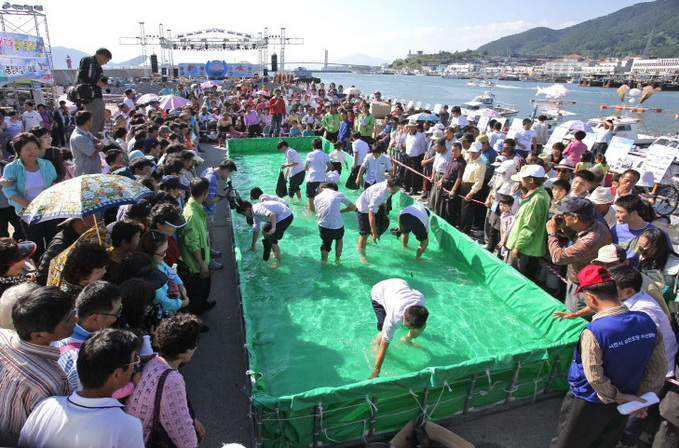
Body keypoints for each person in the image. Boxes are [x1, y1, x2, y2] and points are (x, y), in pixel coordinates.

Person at [550, 265, 667, 448]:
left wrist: (618, 397)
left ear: (591, 297)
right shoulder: (646, 322)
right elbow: (659, 368)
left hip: (587, 403)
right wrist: (637, 398)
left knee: (568, 443)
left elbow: (594, 375)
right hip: (623, 403)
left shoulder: (595, 331)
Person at [18, 328, 143, 448]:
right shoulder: (127, 426)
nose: (135, 366)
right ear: (116, 374)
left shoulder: (46, 407)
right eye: (134, 360)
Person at [0, 286, 73, 445]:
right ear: (39, 335)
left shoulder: (2, 337)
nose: (75, 320)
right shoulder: (52, 380)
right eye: (68, 319)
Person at [126, 313, 206, 447]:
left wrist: (192, 419)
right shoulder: (171, 380)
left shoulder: (154, 361)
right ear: (186, 351)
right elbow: (187, 442)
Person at [53, 280, 123, 391]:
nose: (117, 318)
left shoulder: (54, 329)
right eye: (117, 313)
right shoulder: (85, 359)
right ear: (95, 318)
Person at [547, 196, 613, 313]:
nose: (563, 216)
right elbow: (576, 239)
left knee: (574, 314)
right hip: (584, 279)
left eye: (566, 214)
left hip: (583, 287)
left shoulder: (590, 240)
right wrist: (564, 227)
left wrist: (552, 233)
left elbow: (558, 257)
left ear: (575, 218)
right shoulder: (596, 225)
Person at [1, 133, 58, 261]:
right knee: (36, 245)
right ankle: (40, 272)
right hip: (27, 212)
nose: (33, 152)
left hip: (49, 210)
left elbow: (55, 184)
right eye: (28, 149)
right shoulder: (12, 168)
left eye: (35, 148)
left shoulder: (46, 164)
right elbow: (9, 191)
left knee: (53, 241)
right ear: (19, 150)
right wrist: (30, 205)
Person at [369, 278, 428, 379]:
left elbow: (415, 291)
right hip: (378, 292)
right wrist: (376, 371)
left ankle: (406, 339)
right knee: (383, 331)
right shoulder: (393, 318)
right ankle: (375, 346)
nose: (408, 328)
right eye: (407, 326)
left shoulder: (420, 300)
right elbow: (384, 347)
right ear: (403, 317)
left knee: (422, 326)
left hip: (400, 283)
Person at [505, 165, 551, 280]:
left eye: (523, 178)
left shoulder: (536, 199)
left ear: (531, 180)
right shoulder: (539, 194)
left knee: (514, 277)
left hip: (524, 247)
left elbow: (529, 226)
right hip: (524, 245)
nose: (521, 180)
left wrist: (518, 247)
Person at [178, 177, 215, 314]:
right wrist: (201, 264)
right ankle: (197, 318)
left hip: (203, 258)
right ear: (205, 192)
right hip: (196, 264)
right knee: (197, 292)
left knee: (205, 287)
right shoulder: (192, 214)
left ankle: (203, 304)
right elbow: (192, 243)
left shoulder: (194, 206)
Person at [612, 194, 671, 267]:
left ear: (634, 213)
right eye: (616, 211)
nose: (616, 215)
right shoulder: (616, 229)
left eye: (620, 212)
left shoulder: (657, 234)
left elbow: (668, 258)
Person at [355, 175, 401, 265]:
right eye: (394, 190)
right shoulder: (379, 195)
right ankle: (362, 256)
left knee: (385, 222)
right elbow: (371, 214)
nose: (395, 192)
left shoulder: (388, 185)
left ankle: (362, 240)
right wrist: (373, 232)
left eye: (397, 189)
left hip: (373, 204)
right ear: (388, 186)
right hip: (363, 209)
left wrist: (383, 204)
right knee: (365, 234)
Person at [236, 199, 294, 269]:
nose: (244, 216)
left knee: (272, 240)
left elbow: (272, 214)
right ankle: (271, 247)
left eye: (243, 214)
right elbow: (256, 230)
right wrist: (253, 246)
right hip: (277, 216)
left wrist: (273, 228)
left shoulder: (257, 210)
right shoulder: (254, 214)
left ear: (247, 209)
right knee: (264, 230)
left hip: (285, 216)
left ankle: (279, 261)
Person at [201, 158, 237, 270]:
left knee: (207, 236)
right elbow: (208, 200)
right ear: (225, 170)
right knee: (208, 236)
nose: (227, 177)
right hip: (206, 212)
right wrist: (223, 196)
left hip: (204, 209)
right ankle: (209, 260)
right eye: (229, 174)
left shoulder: (208, 170)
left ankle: (210, 252)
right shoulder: (211, 179)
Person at [314, 181, 355, 264]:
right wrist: (341, 211)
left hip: (323, 225)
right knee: (339, 239)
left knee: (325, 244)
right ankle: (337, 260)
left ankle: (324, 262)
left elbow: (319, 211)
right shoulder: (338, 194)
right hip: (337, 225)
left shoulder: (317, 197)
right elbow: (353, 207)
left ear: (321, 189)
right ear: (334, 189)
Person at [77, 48, 112, 137]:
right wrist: (95, 83)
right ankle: (92, 138)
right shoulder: (87, 61)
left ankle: (99, 136)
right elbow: (82, 75)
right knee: (94, 119)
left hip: (98, 95)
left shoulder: (98, 66)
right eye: (106, 60)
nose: (105, 63)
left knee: (101, 118)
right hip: (89, 96)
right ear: (101, 56)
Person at [458, 142, 486, 235]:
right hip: (463, 184)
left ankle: (465, 231)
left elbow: (479, 181)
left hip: (471, 187)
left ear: (479, 152)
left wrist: (471, 192)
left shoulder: (481, 164)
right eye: (470, 152)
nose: (472, 154)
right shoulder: (468, 160)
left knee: (467, 212)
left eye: (474, 153)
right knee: (461, 210)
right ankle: (460, 227)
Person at [70, 110, 105, 176]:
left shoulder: (86, 133)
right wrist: (97, 146)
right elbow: (93, 154)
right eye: (91, 120)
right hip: (84, 174)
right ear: (87, 122)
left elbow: (97, 141)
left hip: (93, 172)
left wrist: (96, 146)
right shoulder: (78, 137)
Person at [304, 138, 333, 213]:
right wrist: (324, 172)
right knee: (320, 195)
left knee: (310, 197)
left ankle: (312, 213)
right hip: (321, 179)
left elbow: (306, 167)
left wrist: (310, 170)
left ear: (313, 146)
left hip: (312, 178)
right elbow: (330, 167)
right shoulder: (325, 155)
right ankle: (321, 210)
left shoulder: (310, 154)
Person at [403, 121, 428, 195]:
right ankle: (407, 186)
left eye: (412, 127)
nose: (410, 129)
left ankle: (414, 189)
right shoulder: (407, 135)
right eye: (409, 127)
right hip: (408, 156)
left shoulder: (420, 136)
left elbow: (423, 146)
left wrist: (422, 155)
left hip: (416, 157)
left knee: (415, 174)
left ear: (415, 127)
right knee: (407, 172)